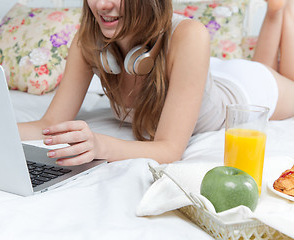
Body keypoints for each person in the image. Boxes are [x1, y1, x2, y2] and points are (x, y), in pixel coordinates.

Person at [18, 0, 294, 166]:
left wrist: (100, 146)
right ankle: (276, 13)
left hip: (242, 90)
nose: (102, 5)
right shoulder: (87, 41)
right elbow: (47, 126)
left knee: (281, 78)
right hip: (197, 75)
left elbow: (169, 149)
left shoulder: (190, 35)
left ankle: (280, 12)